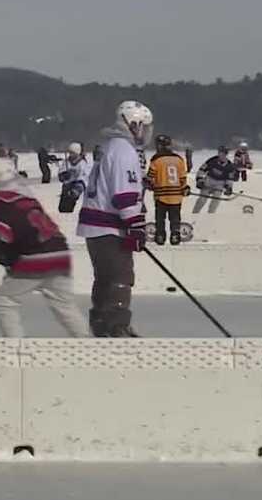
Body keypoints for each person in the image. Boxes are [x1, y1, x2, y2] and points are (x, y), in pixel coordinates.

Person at [0, 157, 87, 338]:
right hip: (60, 253)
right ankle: (88, 344)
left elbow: (0, 239)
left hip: (36, 258)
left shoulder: (0, 203)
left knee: (3, 302)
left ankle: (16, 347)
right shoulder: (27, 197)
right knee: (65, 305)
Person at [78, 100, 151, 337]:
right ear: (134, 124)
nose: (147, 132)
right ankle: (116, 325)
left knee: (105, 277)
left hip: (94, 227)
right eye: (145, 126)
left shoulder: (111, 146)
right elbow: (124, 193)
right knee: (121, 275)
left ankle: (99, 323)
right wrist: (135, 225)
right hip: (108, 227)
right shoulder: (124, 150)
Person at [146, 134, 188, 245]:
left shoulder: (156, 160)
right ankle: (175, 234)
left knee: (160, 218)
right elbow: (183, 178)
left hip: (161, 195)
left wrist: (150, 185)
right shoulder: (179, 159)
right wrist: (184, 188)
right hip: (176, 196)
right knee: (175, 218)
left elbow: (150, 177)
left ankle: (160, 235)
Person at [193, 146, 238, 214]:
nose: (220, 155)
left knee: (215, 201)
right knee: (202, 200)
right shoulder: (212, 160)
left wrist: (228, 187)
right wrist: (199, 179)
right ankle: (194, 213)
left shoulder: (229, 166)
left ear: (225, 154)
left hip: (220, 184)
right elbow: (202, 170)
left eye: (222, 153)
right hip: (209, 181)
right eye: (219, 153)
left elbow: (230, 179)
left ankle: (211, 215)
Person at [57, 142, 91, 213]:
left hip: (77, 183)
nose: (71, 155)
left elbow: (85, 175)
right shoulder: (67, 162)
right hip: (67, 184)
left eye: (73, 153)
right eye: (70, 153)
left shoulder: (82, 163)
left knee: (72, 197)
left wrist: (80, 184)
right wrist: (63, 175)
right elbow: (61, 171)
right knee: (63, 204)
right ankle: (63, 209)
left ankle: (70, 206)